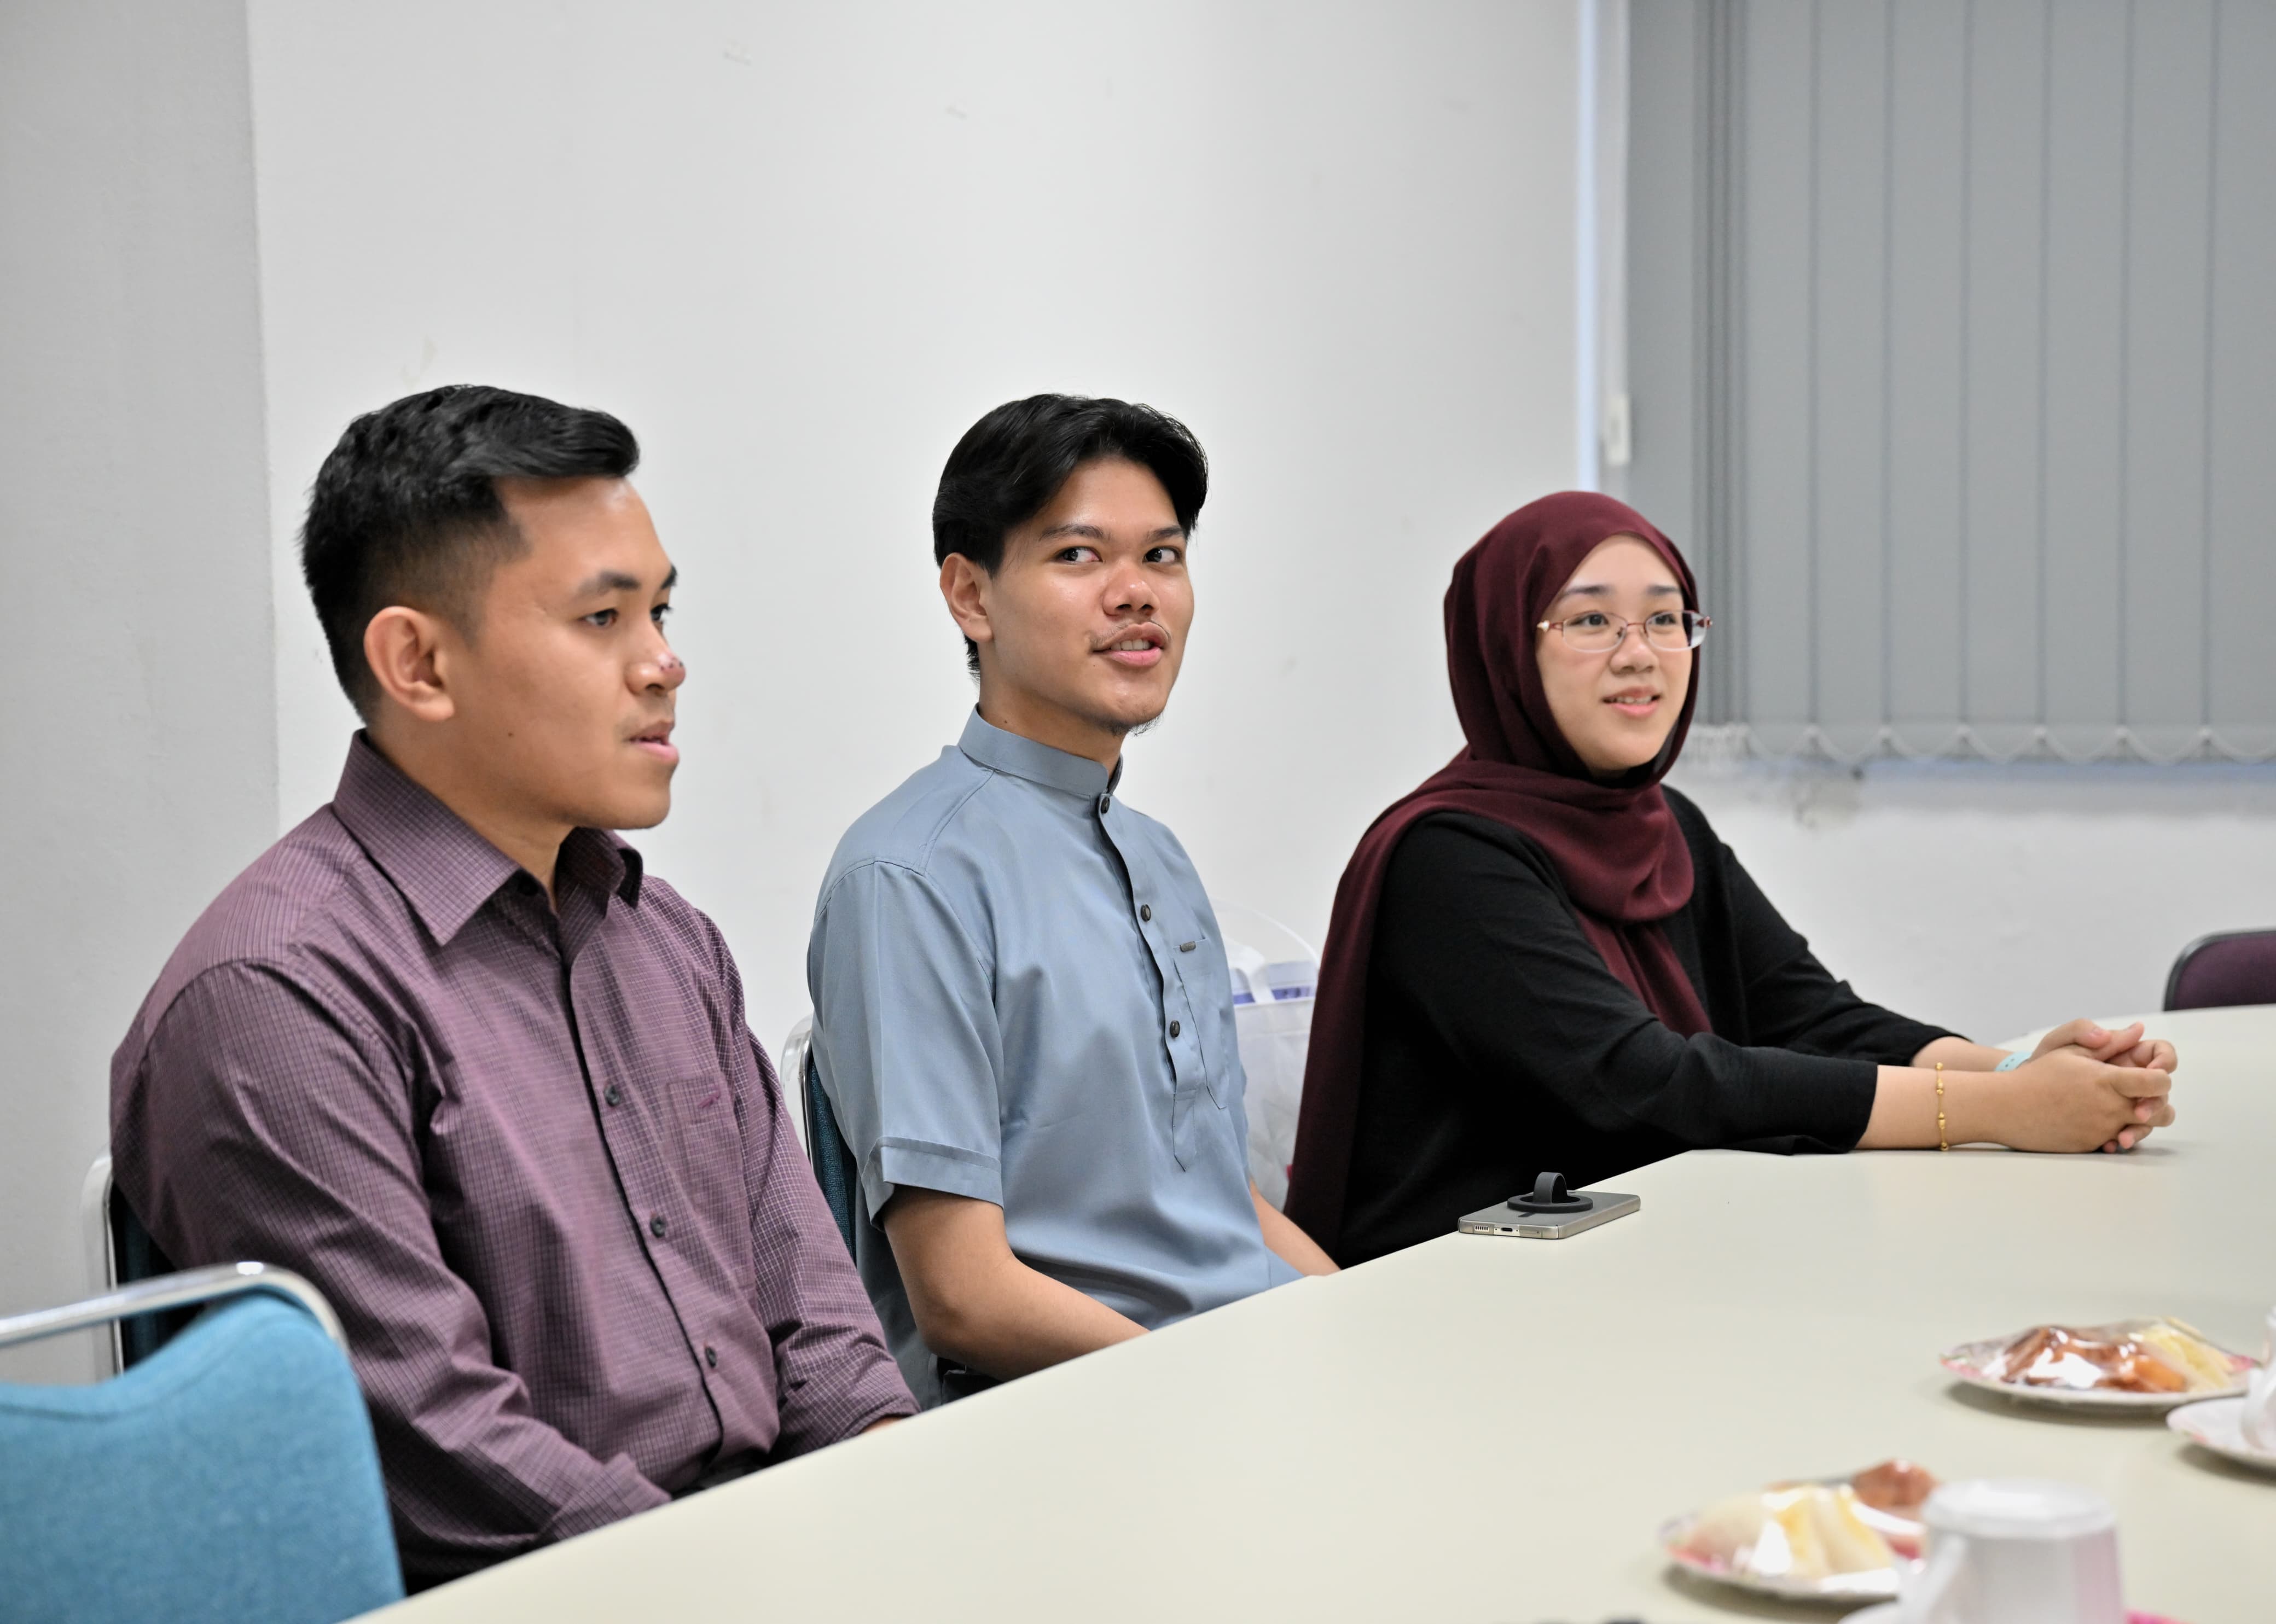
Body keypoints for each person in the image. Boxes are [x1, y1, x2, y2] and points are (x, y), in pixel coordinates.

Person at [109, 386, 914, 1588]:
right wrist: (752, 1578)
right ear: (418, 662)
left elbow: (817, 1320)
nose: (665, 663)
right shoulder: (272, 999)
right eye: (603, 617)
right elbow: (443, 1455)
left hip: (758, 1558)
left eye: (661, 607)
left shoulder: (664, 939)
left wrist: (904, 1510)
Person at [1282, 492, 2179, 1266]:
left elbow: (1815, 1017)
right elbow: (1648, 1084)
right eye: (1591, 620)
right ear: (1508, 650)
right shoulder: (1448, 855)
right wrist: (1999, 1109)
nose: (1641, 653)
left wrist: (2029, 1066)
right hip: (1459, 1305)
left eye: (1667, 618)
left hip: (1647, 1261)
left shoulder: (1664, 825)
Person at [807, 393, 1337, 1407]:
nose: (1136, 594)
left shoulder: (1157, 854)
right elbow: (964, 1295)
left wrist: (1361, 1325)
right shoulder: (908, 875)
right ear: (971, 596)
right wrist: (1225, 1382)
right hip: (1078, 1417)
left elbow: (1231, 1205)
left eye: (1164, 557)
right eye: (1080, 557)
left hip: (1240, 1375)